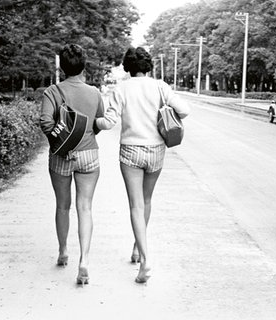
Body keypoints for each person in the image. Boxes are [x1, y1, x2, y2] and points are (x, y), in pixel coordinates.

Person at [95, 46, 190, 283]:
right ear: (148, 66)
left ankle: (145, 260)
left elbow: (108, 122)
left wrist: (93, 121)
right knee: (146, 201)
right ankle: (137, 249)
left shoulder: (122, 88)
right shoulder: (160, 86)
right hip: (156, 151)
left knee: (136, 205)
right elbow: (185, 111)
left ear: (127, 67)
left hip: (130, 151)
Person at [39, 44, 105, 285]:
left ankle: (63, 251)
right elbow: (98, 122)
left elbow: (46, 123)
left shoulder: (52, 92)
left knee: (63, 206)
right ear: (83, 66)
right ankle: (84, 260)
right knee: (85, 207)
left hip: (60, 157)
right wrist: (85, 135)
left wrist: (62, 142)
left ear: (62, 67)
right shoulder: (94, 93)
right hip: (89, 154)